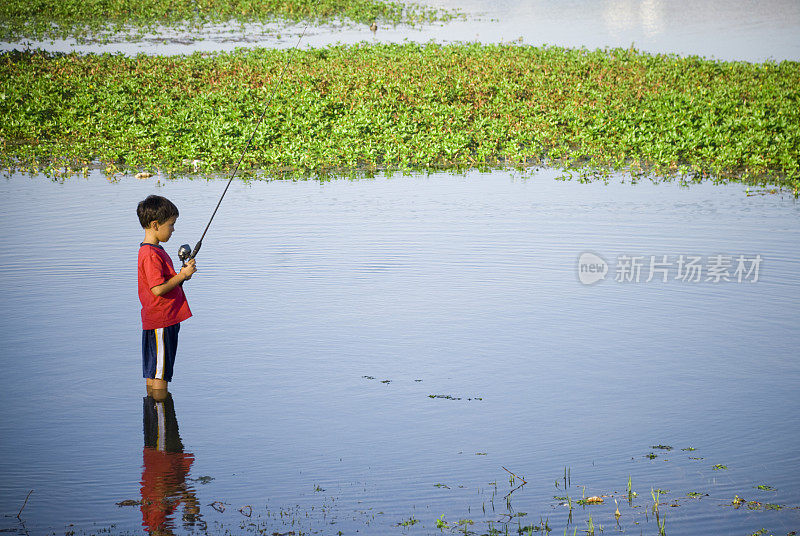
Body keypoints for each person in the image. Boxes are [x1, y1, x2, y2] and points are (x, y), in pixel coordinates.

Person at [137, 195, 196, 400]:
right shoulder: (151, 254)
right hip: (162, 321)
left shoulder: (152, 251)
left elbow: (163, 284)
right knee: (160, 374)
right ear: (155, 225)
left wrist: (181, 276)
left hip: (157, 321)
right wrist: (182, 275)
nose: (172, 230)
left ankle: (154, 423)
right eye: (171, 225)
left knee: (154, 372)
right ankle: (162, 422)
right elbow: (157, 289)